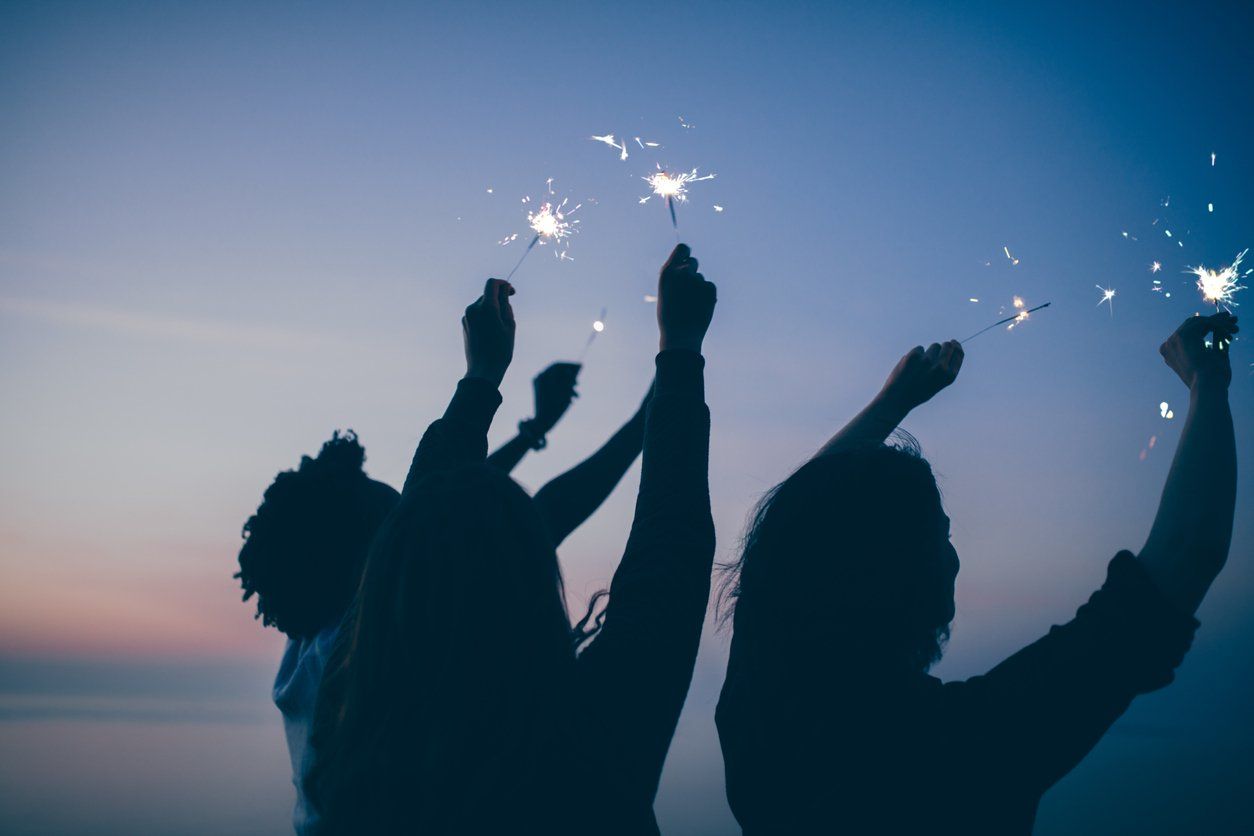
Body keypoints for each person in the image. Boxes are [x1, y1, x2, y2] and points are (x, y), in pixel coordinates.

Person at [716, 313, 1239, 834]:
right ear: (901, 582)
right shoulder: (963, 744)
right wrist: (1207, 383)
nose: (955, 556)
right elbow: (1187, 552)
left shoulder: (760, 711)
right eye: (942, 537)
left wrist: (894, 402)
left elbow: (789, 538)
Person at [307, 244, 717, 834]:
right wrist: (679, 357)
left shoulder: (345, 729)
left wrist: (485, 385)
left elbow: (424, 526)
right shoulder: (589, 749)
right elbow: (669, 546)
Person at [237, 364, 649, 834]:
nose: (409, 516)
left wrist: (535, 430)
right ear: (363, 554)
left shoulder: (313, 648)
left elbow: (449, 505)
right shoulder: (349, 649)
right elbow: (518, 518)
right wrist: (642, 424)